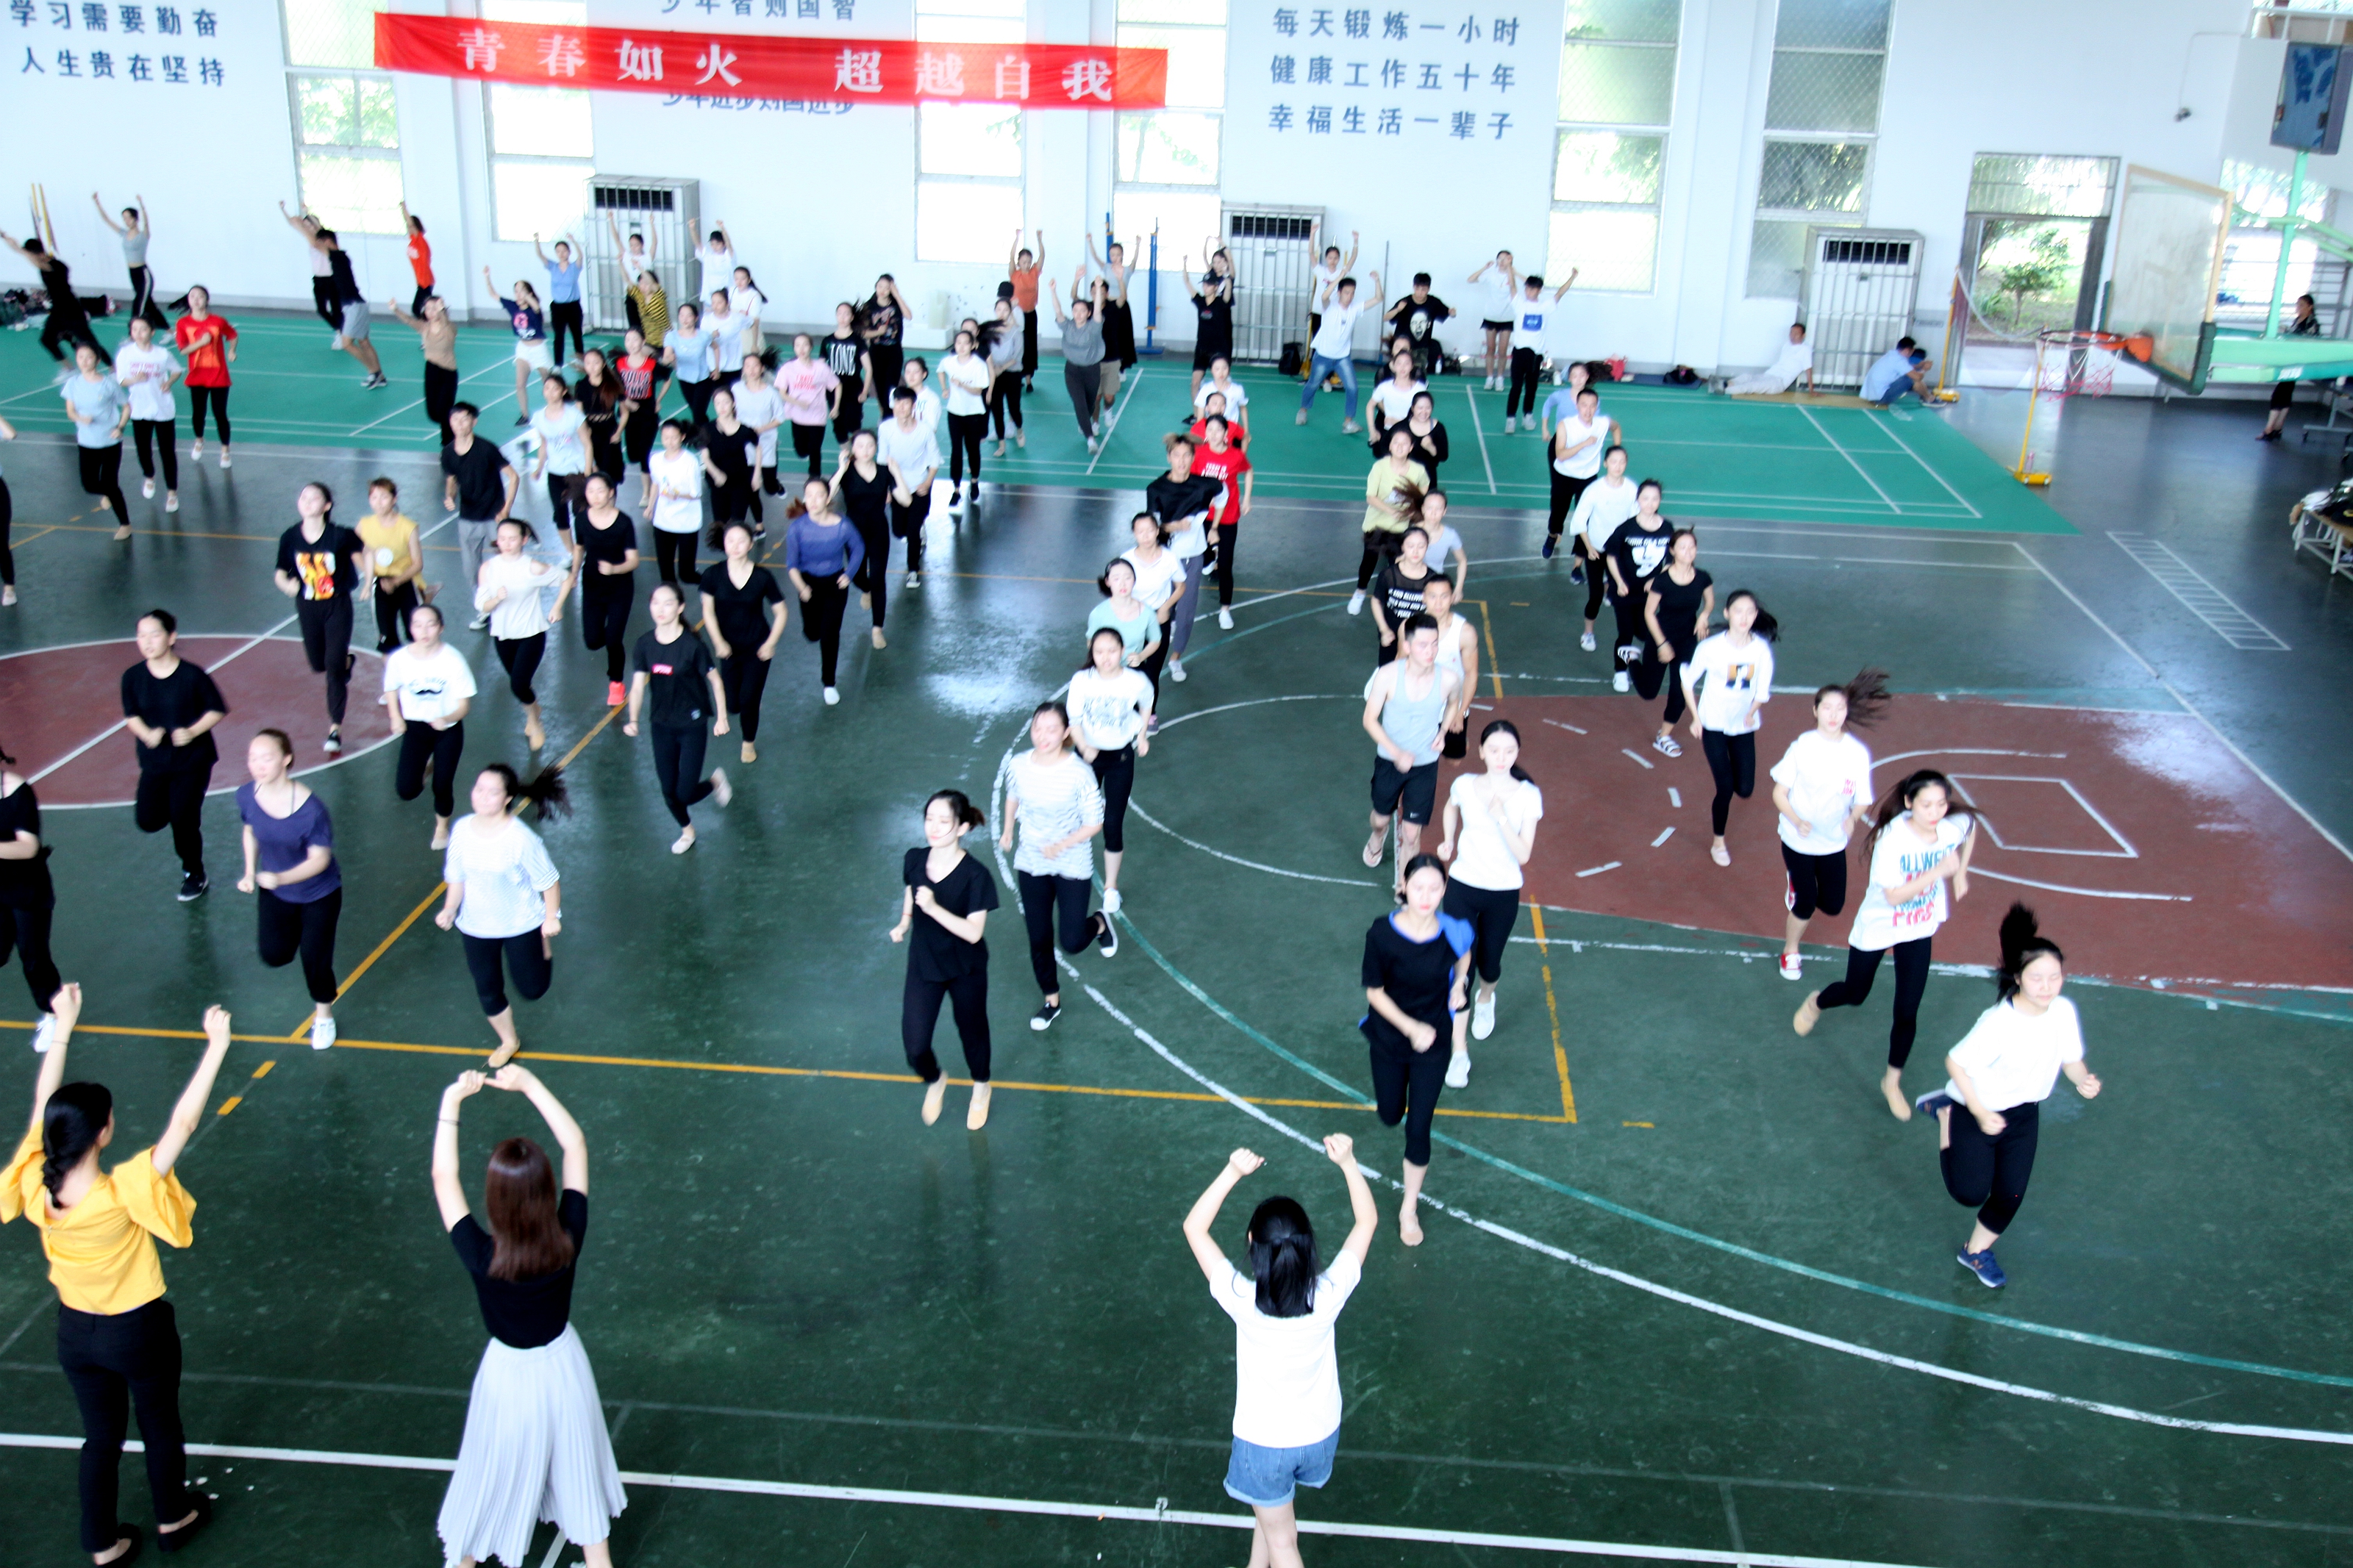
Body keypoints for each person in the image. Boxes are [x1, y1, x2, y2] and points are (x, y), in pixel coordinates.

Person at [3, 989, 232, 1566]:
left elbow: (42, 1102)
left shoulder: (33, 1183)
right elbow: (184, 1121)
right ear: (103, 1132)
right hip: (137, 1330)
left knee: (100, 1436)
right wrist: (217, 1045)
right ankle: (173, 1517)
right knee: (159, 1422)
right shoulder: (123, 1191)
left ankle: (102, 1545)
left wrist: (64, 1023)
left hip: (76, 1334)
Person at [430, 1063, 627, 1568]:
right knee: (578, 1470)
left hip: (508, 1379)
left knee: (489, 1475)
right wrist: (530, 1084)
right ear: (546, 1192)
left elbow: (443, 1176)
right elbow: (575, 1145)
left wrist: (452, 1102)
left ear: (495, 1201)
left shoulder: (481, 1255)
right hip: (564, 1366)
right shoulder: (568, 1237)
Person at [1180, 1134, 1377, 1568]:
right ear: (1308, 1245)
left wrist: (1233, 1171)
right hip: (1319, 1437)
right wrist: (1348, 1163)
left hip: (1265, 1445)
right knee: (1272, 1512)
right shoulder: (1329, 1294)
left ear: (1252, 1243)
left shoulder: (1241, 1299)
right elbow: (1366, 1222)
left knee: (1284, 1541)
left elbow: (1194, 1228)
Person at [1916, 905, 2104, 1290]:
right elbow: (1955, 1062)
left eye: (2055, 977)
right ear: (2018, 978)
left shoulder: (2062, 1011)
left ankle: (1976, 1251)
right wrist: (1978, 1111)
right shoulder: (1998, 1023)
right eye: (2037, 978)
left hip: (2023, 1115)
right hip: (1975, 1108)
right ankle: (1946, 1113)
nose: (2047, 986)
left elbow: (2072, 1060)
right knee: (1968, 1193)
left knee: (2011, 1193)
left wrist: (2083, 1079)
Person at [1793, 770, 1978, 1120]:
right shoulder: (1891, 840)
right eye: (1926, 805)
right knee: (1855, 992)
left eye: (1941, 804)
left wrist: (1962, 872)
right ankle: (1817, 1002)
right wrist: (1939, 871)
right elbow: (1893, 897)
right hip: (1880, 924)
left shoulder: (1950, 827)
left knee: (1907, 1011)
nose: (1935, 812)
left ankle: (1892, 1082)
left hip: (1918, 926)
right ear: (1909, 803)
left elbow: (1969, 826)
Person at [1360, 852, 1471, 1243]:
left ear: (1444, 891)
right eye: (1418, 887)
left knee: (1419, 1126)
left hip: (1433, 1042)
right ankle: (1392, 1106)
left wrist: (1460, 985)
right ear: (1404, 887)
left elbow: (1465, 954)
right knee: (1391, 1114)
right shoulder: (1382, 935)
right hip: (1390, 1038)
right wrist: (1410, 1028)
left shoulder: (1453, 930)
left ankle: (1409, 1209)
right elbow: (1374, 993)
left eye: (1434, 888)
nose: (1426, 896)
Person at [435, 765, 569, 1065]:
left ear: (507, 798)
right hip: (476, 926)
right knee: (487, 988)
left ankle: (543, 947)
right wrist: (450, 909)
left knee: (533, 989)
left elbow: (549, 881)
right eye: (479, 789)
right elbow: (456, 876)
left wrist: (551, 917)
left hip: (521, 923)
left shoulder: (521, 839)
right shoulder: (461, 829)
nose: (483, 796)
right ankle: (509, 1041)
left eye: (493, 792)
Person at [999, 701, 1116, 1032]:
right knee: (1038, 937)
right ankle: (1052, 1002)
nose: (1043, 735)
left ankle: (1099, 924)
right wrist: (1008, 830)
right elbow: (1013, 795)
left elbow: (1094, 823)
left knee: (1072, 941)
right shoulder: (1019, 764)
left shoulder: (1079, 773)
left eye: (1052, 729)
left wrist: (1061, 845)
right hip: (1032, 860)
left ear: (1066, 733)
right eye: (1038, 727)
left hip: (1071, 861)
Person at [1435, 721, 1540, 1087]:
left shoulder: (1528, 795)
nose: (1501, 757)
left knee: (1489, 964)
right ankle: (1459, 1054)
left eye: (1509, 751)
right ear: (1480, 752)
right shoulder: (1465, 785)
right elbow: (1450, 808)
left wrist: (1501, 817)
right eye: (1494, 750)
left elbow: (1524, 854)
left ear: (1517, 753)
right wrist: (1449, 839)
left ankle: (1486, 999)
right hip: (1462, 886)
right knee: (1459, 971)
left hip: (1503, 892)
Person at [889, 790, 1000, 1130]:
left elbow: (974, 933)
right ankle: (936, 1080)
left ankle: (981, 1087)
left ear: (962, 827)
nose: (934, 828)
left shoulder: (976, 876)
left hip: (965, 966)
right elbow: (912, 889)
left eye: (944, 821)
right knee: (915, 1046)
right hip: (924, 962)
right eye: (929, 819)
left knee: (972, 1033)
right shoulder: (914, 859)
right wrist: (905, 921)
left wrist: (934, 908)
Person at [1772, 670, 1891, 982]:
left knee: (1833, 905)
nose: (1833, 714)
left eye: (1840, 708)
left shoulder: (1857, 753)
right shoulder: (1803, 747)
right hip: (1798, 838)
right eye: (1827, 708)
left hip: (1833, 841)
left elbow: (1863, 799)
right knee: (1806, 902)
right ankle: (1790, 952)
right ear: (1815, 711)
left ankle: (1799, 887)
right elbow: (1779, 793)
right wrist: (1797, 820)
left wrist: (1852, 819)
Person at [234, 729, 342, 1050]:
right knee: (275, 955)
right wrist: (250, 872)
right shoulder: (246, 795)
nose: (258, 765)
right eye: (253, 758)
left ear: (286, 760)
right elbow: (250, 830)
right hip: (276, 891)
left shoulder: (311, 810)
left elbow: (320, 859)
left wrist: (281, 878)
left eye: (266, 758)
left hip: (318, 894)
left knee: (314, 957)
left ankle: (324, 1016)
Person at [121, 609, 225, 901]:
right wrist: (146, 734)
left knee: (183, 820)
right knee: (148, 820)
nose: (147, 642)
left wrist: (192, 731)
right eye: (141, 636)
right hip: (155, 762)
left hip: (192, 761)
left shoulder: (192, 675)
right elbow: (131, 715)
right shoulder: (132, 677)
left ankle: (194, 873)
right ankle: (179, 808)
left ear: (171, 638)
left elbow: (216, 709)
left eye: (154, 634)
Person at [622, 582, 733, 853]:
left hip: (692, 723)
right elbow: (637, 686)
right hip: (661, 724)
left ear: (680, 607)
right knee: (668, 790)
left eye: (668, 603)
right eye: (655, 603)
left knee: (684, 793)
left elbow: (716, 681)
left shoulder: (692, 646)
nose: (660, 609)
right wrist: (633, 720)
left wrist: (722, 718)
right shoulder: (644, 644)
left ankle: (714, 782)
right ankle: (687, 831)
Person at [1682, 589, 1777, 864]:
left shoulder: (1761, 650)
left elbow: (1762, 690)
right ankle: (1718, 842)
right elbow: (1688, 681)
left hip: (1743, 726)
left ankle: (1731, 780)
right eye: (1738, 611)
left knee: (1745, 789)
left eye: (1750, 612)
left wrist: (1752, 712)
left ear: (1755, 616)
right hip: (1713, 724)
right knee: (1724, 787)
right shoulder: (1710, 648)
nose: (1744, 617)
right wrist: (1696, 718)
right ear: (1727, 614)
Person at [271, 482, 365, 757]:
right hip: (307, 606)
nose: (308, 501)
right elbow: (280, 572)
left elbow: (364, 553)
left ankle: (335, 729)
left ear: (327, 506)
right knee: (318, 663)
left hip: (337, 604)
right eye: (304, 497)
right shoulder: (290, 537)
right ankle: (346, 662)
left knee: (333, 668)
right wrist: (286, 585)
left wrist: (369, 579)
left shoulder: (340, 535)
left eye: (315, 498)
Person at [1361, 616, 1460, 876]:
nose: (1430, 651)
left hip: (1425, 764)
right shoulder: (1387, 676)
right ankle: (1377, 835)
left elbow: (1454, 703)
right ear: (1407, 646)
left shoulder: (1449, 679)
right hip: (1389, 760)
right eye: (1423, 645)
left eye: (1435, 644)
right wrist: (1397, 754)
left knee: (1412, 833)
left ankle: (1406, 888)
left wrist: (1443, 731)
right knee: (1381, 818)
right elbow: (1369, 720)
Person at [1068, 626, 1155, 916]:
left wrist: (1142, 735)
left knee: (1113, 823)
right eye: (1099, 652)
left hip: (1120, 757)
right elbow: (1074, 719)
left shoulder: (1136, 681)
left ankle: (1111, 887)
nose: (1105, 657)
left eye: (1112, 651)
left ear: (1122, 651)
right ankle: (1069, 870)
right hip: (1087, 757)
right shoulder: (1082, 681)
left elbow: (1147, 703)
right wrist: (1084, 746)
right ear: (1091, 652)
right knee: (1076, 815)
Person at [475, 519, 573, 753]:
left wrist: (557, 607)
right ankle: (533, 708)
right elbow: (481, 605)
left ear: (524, 540)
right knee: (521, 684)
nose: (507, 543)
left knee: (518, 683)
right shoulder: (488, 568)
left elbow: (567, 579)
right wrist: (496, 599)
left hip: (531, 634)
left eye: (512, 539)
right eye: (502, 539)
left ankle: (534, 722)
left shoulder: (533, 567)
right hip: (503, 636)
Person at [383, 603, 476, 849]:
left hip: (447, 729)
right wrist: (395, 716)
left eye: (431, 625)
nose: (424, 632)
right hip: (416, 729)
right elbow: (391, 687)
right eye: (418, 625)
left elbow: (464, 706)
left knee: (442, 785)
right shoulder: (399, 660)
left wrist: (446, 718)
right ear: (411, 629)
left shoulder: (453, 660)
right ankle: (428, 766)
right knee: (407, 790)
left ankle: (441, 828)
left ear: (441, 628)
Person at [0, 743, 63, 1050]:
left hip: (27, 890)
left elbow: (28, 847)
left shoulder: (18, 792)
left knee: (34, 957)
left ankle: (53, 1014)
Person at [784, 476, 865, 706]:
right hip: (808, 583)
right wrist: (802, 588)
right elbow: (792, 564)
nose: (813, 500)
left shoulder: (843, 525)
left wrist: (849, 574)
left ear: (828, 498)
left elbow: (858, 548)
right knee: (813, 633)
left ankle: (829, 683)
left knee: (830, 634)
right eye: (809, 495)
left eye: (819, 495)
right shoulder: (797, 528)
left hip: (834, 584)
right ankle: (814, 630)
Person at [1146, 434, 1220, 683]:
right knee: (1162, 608)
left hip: (1193, 558)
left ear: (1193, 457)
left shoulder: (1204, 485)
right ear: (1169, 458)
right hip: (1165, 559)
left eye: (1187, 455)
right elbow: (1151, 526)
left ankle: (1176, 658)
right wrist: (1172, 527)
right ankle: (1155, 648)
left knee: (1187, 613)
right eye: (1176, 455)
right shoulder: (1156, 488)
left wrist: (1214, 527)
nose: (1182, 460)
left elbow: (1224, 494)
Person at [1634, 527, 1713, 756]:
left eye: (1692, 547)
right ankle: (1631, 660)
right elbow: (1649, 613)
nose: (1688, 551)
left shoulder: (1703, 578)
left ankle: (1664, 737)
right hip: (1661, 636)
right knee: (1649, 691)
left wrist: (1704, 616)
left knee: (1681, 691)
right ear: (1672, 551)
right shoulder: (1662, 581)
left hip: (1687, 640)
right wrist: (1662, 644)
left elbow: (1709, 602)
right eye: (1682, 547)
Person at [442, 404, 519, 621]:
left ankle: (508, 604)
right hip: (468, 517)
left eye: (464, 419)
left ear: (474, 422)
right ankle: (484, 607)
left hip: (494, 516)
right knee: (471, 569)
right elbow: (451, 480)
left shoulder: (487, 449)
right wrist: (450, 496)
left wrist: (506, 509)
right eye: (455, 419)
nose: (459, 424)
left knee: (505, 561)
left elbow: (514, 477)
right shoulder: (448, 453)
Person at [293, 215, 388, 389]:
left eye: (321, 243)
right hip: (358, 304)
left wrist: (301, 226)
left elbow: (313, 242)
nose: (318, 247)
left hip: (353, 306)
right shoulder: (340, 257)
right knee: (364, 342)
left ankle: (374, 372)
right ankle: (379, 375)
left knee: (347, 344)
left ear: (328, 242)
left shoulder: (337, 257)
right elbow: (317, 240)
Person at [571, 473, 640, 706]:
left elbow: (633, 560)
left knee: (613, 639)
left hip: (620, 588)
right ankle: (609, 645)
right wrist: (573, 573)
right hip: (592, 586)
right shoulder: (581, 520)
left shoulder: (624, 523)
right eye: (591, 491)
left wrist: (614, 569)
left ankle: (616, 683)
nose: (595, 496)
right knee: (592, 641)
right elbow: (579, 548)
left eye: (600, 490)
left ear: (611, 492)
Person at [1602, 479, 1674, 692]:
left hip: (1649, 593)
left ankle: (1639, 661)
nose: (1650, 503)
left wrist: (1657, 581)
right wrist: (1619, 582)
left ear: (1660, 500)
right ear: (1638, 500)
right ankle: (1620, 672)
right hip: (1624, 591)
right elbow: (1611, 556)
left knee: (1645, 632)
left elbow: (1671, 560)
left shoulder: (1667, 528)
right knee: (1625, 632)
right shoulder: (1627, 528)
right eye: (1645, 498)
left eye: (1655, 499)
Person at [1349, 427, 1429, 615]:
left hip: (1400, 528)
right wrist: (1391, 511)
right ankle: (1360, 592)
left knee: (1397, 565)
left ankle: (1392, 597)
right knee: (1369, 561)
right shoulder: (1380, 467)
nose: (1400, 447)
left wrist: (1412, 509)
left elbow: (1424, 488)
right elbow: (1371, 497)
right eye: (1396, 443)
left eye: (1404, 444)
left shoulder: (1418, 471)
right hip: (1376, 525)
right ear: (1390, 446)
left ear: (1411, 447)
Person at [1, 230, 107, 365]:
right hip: (58, 312)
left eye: (32, 256)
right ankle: (68, 369)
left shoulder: (56, 266)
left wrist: (21, 251)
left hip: (72, 311)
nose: (32, 260)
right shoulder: (42, 264)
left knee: (89, 343)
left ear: (40, 253)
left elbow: (29, 257)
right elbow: (21, 252)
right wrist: (4, 236)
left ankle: (112, 367)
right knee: (47, 340)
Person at [113, 318, 182, 516]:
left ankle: (172, 493)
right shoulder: (125, 354)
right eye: (134, 329)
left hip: (163, 408)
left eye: (143, 329)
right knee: (143, 449)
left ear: (152, 332)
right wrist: (136, 379)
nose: (138, 333)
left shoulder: (162, 354)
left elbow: (177, 370)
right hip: (140, 409)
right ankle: (149, 476)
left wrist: (169, 382)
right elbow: (121, 380)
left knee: (167, 452)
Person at [63, 343, 131, 542]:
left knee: (110, 484)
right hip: (87, 442)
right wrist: (80, 418)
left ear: (98, 360)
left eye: (89, 357)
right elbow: (70, 411)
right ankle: (109, 493)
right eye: (80, 357)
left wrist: (120, 427)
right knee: (89, 485)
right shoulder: (73, 384)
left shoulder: (109, 384)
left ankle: (125, 525)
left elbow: (126, 407)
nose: (84, 361)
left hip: (110, 441)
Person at [835, 428, 894, 651]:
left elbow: (898, 495)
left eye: (870, 445)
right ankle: (866, 589)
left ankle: (877, 628)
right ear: (853, 449)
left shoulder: (884, 471)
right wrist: (841, 469)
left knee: (879, 578)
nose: (866, 450)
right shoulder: (847, 472)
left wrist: (896, 483)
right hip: (853, 533)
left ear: (876, 447)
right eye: (860, 446)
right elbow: (827, 496)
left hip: (878, 530)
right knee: (857, 575)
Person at [1191, 416, 1254, 629]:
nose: (1214, 434)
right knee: (1202, 555)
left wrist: (1247, 499)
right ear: (1205, 433)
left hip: (1228, 516)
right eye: (1210, 429)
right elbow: (1192, 480)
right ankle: (1210, 558)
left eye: (1219, 430)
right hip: (1203, 515)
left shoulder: (1236, 455)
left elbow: (1248, 471)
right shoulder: (1198, 454)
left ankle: (1225, 610)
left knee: (1226, 566)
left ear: (1226, 434)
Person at [1568, 444, 1635, 639]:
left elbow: (1635, 520)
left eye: (1622, 462)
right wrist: (1589, 548)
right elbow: (1579, 520)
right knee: (1595, 596)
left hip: (1620, 552)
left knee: (1624, 593)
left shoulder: (1632, 490)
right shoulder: (1594, 490)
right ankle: (1588, 633)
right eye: (1614, 462)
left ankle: (1626, 634)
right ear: (1605, 463)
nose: (1618, 466)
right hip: (1596, 551)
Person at [1120, 511, 1185, 702]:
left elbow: (1181, 586)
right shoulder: (1126, 559)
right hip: (1133, 618)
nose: (1146, 536)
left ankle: (1150, 713)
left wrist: (1165, 608)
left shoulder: (1169, 558)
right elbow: (1119, 591)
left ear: (1157, 531)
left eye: (1150, 530)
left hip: (1159, 619)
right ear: (1134, 534)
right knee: (1132, 668)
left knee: (1152, 672)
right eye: (1140, 532)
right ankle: (1131, 710)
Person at [877, 387, 940, 588]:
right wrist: (886, 489)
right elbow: (882, 462)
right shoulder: (885, 428)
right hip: (897, 487)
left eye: (905, 403)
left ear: (914, 406)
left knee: (912, 532)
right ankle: (917, 528)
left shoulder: (925, 430)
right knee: (898, 530)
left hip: (919, 486)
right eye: (897, 403)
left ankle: (913, 571)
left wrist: (927, 483)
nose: (901, 407)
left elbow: (935, 461)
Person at [357, 476, 426, 654]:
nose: (378, 503)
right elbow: (354, 552)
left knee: (416, 633)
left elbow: (417, 563)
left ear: (394, 499)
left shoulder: (408, 527)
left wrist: (395, 582)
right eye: (374, 497)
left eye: (384, 497)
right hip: (380, 584)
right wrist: (370, 573)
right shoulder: (364, 525)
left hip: (406, 581)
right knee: (386, 638)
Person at [1502, 269, 1575, 432]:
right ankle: (1510, 419)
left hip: (1536, 355)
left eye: (1533, 289)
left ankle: (1528, 416)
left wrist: (1572, 277)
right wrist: (1509, 269)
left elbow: (1560, 293)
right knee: (1516, 387)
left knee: (1531, 388)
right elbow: (1512, 286)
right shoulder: (1519, 304)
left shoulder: (1545, 307)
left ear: (1539, 290)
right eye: (1527, 289)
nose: (1529, 292)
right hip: (1519, 352)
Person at [171, 285, 235, 470]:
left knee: (220, 414)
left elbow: (232, 334)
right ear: (188, 300)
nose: (196, 299)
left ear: (207, 300)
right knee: (198, 414)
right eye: (193, 296)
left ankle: (225, 450)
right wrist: (201, 342)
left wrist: (232, 350)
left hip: (219, 376)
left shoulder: (218, 321)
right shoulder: (183, 323)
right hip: (197, 376)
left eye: (200, 296)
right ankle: (199, 440)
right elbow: (183, 350)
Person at [1419, 572, 1479, 760]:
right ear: (1423, 597)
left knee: (1454, 759)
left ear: (1452, 598)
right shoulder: (1410, 628)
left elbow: (1471, 674)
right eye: (1432, 596)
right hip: (1419, 709)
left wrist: (1461, 713)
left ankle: (1460, 743)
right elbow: (1399, 665)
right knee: (1419, 758)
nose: (1438, 603)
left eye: (1444, 596)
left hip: (1452, 710)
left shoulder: (1465, 632)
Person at [1542, 386, 1607, 558]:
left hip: (1588, 477)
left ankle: (1579, 557)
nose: (1588, 410)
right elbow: (1561, 455)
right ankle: (1552, 535)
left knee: (1585, 515)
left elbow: (1616, 427)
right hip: (1565, 476)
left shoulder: (1602, 423)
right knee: (1558, 512)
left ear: (1597, 407)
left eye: (1592, 405)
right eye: (1584, 405)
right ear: (1577, 406)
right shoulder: (1566, 425)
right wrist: (1584, 444)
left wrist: (1616, 450)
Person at [1298, 273, 1368, 431]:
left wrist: (1377, 281)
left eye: (1352, 293)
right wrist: (1340, 276)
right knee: (1313, 384)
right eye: (1346, 292)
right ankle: (1303, 410)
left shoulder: (1355, 308)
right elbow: (1324, 296)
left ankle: (1348, 422)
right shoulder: (1329, 306)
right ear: (1339, 293)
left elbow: (1378, 299)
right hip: (1323, 356)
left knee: (1353, 388)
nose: (1350, 296)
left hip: (1343, 358)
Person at [388, 292, 460, 445]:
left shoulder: (450, 328)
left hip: (448, 372)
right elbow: (409, 321)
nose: (430, 312)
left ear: (441, 310)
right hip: (431, 370)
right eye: (427, 308)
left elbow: (445, 325)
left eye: (434, 308)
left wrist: (441, 311)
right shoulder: (424, 327)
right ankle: (453, 426)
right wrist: (396, 309)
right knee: (433, 414)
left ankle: (448, 441)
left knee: (444, 408)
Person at [526, 374, 590, 543]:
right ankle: (571, 551)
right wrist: (539, 469)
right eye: (547, 388)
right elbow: (544, 444)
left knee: (581, 512)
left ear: (563, 391)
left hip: (576, 471)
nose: (550, 392)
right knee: (560, 514)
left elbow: (587, 444)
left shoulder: (574, 415)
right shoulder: (539, 417)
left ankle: (582, 546)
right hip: (555, 472)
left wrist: (587, 471)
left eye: (555, 389)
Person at [483, 269, 551, 425]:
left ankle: (555, 408)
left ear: (529, 293)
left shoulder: (534, 309)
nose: (518, 294)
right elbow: (493, 294)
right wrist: (487, 277)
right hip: (523, 349)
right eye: (516, 291)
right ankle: (525, 415)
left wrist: (528, 297)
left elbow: (536, 307)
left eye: (521, 291)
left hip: (538, 349)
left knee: (548, 383)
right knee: (520, 384)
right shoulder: (512, 306)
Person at [1049, 273, 1107, 453]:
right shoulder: (1067, 326)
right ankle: (1090, 439)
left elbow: (1098, 312)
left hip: (1092, 370)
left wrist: (1098, 288)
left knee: (1090, 404)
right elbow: (1058, 311)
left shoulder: (1093, 327)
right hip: (1072, 370)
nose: (1078, 314)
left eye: (1083, 311)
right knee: (1079, 402)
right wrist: (1053, 291)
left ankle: (1084, 423)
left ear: (1088, 313)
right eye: (1075, 311)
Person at [649, 418, 708, 585]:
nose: (670, 442)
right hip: (663, 521)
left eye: (674, 437)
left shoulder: (690, 462)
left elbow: (696, 493)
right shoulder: (655, 459)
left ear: (682, 437)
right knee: (666, 573)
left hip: (686, 522)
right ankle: (673, 600)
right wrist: (650, 507)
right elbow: (656, 483)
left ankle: (712, 586)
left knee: (687, 573)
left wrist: (678, 495)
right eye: (666, 438)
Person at [938, 328, 992, 509]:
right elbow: (940, 371)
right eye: (958, 343)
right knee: (956, 451)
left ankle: (974, 481)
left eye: (965, 343)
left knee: (973, 449)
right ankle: (956, 489)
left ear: (973, 345)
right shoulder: (949, 361)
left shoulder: (978, 365)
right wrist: (945, 388)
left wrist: (961, 385)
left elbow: (978, 390)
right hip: (954, 413)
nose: (961, 346)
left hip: (974, 414)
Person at [1087, 556, 1163, 685]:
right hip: (1105, 671)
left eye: (1128, 578)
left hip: (1133, 671)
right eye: (1116, 579)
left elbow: (1155, 640)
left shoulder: (1147, 613)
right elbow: (1091, 642)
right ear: (1108, 582)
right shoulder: (1098, 613)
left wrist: (1141, 656)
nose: (1123, 584)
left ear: (1134, 580)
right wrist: (1102, 661)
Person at [1370, 526, 1437, 667]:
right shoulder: (1389, 575)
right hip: (1391, 635)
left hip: (1418, 637)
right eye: (1410, 546)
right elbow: (1376, 601)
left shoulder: (1432, 579)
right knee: (1388, 670)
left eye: (1421, 546)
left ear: (1427, 547)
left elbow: (1434, 610)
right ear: (1403, 547)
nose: (1415, 551)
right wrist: (1384, 629)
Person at [2260, 293, 2324, 441]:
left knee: (2280, 392)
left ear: (2310, 307)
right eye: (2297, 305)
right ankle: (2277, 428)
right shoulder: (2298, 321)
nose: (2298, 308)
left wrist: (2289, 334)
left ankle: (2270, 428)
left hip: (2298, 362)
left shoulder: (2312, 324)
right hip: (2290, 360)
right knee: (2286, 391)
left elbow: (2309, 342)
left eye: (2301, 305)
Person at [1091, 239, 1140, 418]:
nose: (1115, 257)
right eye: (1112, 255)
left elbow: (1134, 261)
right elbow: (1095, 257)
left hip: (1121, 305)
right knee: (1110, 337)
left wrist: (1138, 245)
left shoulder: (1127, 270)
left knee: (1123, 338)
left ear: (1122, 255)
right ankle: (1113, 365)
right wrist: (1090, 242)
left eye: (1118, 255)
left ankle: (1122, 368)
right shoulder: (1106, 268)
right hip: (1108, 307)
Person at [729, 351, 787, 504]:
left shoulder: (772, 393)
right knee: (748, 484)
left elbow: (780, 418)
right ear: (743, 369)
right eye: (748, 366)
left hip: (766, 442)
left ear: (762, 369)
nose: (752, 370)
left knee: (769, 487)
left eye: (755, 366)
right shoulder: (736, 389)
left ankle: (776, 486)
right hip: (743, 442)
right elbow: (730, 411)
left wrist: (761, 429)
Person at [614, 329, 663, 505]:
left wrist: (658, 400)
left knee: (644, 453)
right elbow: (614, 386)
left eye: (635, 340)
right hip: (629, 415)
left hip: (648, 414)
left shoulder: (651, 364)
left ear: (643, 342)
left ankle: (646, 494)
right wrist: (626, 401)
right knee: (633, 455)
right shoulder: (620, 363)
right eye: (628, 340)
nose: (631, 343)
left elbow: (667, 379)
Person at [1183, 246, 1237, 401]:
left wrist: (1226, 272)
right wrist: (1184, 264)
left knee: (1220, 384)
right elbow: (1187, 282)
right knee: (1195, 383)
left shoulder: (1222, 303)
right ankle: (1197, 413)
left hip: (1218, 348)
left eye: (1209, 285)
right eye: (1204, 284)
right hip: (1202, 348)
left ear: (1216, 287)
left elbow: (1229, 284)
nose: (1205, 287)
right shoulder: (1200, 301)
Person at [1305, 223, 1361, 362]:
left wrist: (1356, 241)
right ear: (1326, 258)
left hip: (1333, 313)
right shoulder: (1320, 271)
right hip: (1319, 311)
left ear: (1339, 259)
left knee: (1331, 342)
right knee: (1317, 341)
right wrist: (1312, 233)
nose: (1333, 261)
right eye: (1330, 258)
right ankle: (1315, 369)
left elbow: (1353, 258)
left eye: (1336, 258)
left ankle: (1330, 371)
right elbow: (1311, 253)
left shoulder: (1341, 273)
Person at [1385, 273, 1454, 382]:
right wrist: (1398, 310)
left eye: (1424, 290)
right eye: (1417, 289)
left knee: (1419, 376)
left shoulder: (1433, 303)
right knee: (1398, 375)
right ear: (1414, 287)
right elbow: (1386, 317)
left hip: (1421, 347)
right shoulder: (1405, 302)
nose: (1420, 293)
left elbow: (1448, 313)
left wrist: (1452, 313)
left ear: (1428, 289)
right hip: (1403, 347)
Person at [859, 276, 908, 423]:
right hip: (876, 351)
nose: (883, 290)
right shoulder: (868, 306)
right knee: (880, 388)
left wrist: (897, 295)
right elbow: (862, 332)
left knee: (891, 386)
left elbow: (908, 315)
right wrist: (877, 333)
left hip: (894, 351)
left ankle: (888, 417)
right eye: (880, 286)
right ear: (875, 286)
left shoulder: (896, 304)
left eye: (887, 288)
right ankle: (886, 417)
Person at [822, 301, 871, 449]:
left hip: (853, 387)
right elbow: (821, 369)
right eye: (840, 314)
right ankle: (847, 454)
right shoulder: (828, 341)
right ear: (836, 316)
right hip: (833, 389)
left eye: (847, 314)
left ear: (852, 317)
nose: (843, 317)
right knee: (838, 424)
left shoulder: (858, 341)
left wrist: (865, 391)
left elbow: (868, 369)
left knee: (853, 422)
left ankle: (858, 449)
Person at [574, 348, 625, 490]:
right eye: (588, 363)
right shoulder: (581, 385)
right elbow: (578, 414)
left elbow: (624, 412)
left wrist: (618, 432)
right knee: (594, 469)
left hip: (610, 429)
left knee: (611, 470)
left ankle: (611, 496)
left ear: (603, 364)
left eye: (596, 363)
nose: (592, 366)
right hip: (591, 430)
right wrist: (584, 432)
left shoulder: (613, 383)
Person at [982, 294, 1026, 457]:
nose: (1002, 313)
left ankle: (1019, 429)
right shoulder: (988, 331)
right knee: (997, 409)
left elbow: (1017, 356)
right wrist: (993, 369)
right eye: (999, 309)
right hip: (994, 374)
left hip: (1012, 373)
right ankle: (1001, 444)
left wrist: (1002, 368)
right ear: (995, 311)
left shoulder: (1016, 332)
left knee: (1014, 408)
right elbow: (985, 352)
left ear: (1010, 312)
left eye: (1005, 310)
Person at [1468, 250, 1518, 391]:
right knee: (1491, 349)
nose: (1501, 262)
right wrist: (1484, 268)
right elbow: (1470, 280)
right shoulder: (1491, 274)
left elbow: (1515, 286)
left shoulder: (1512, 274)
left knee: (1503, 351)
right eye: (1499, 259)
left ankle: (1500, 378)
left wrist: (1511, 269)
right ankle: (1490, 378)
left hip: (1507, 317)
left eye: (1505, 259)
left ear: (1510, 261)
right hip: (1491, 317)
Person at [534, 233, 585, 365]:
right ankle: (558, 364)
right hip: (558, 307)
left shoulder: (574, 267)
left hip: (573, 306)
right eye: (558, 251)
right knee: (558, 336)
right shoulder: (553, 267)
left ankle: (580, 359)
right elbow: (540, 255)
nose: (561, 254)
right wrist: (536, 240)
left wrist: (574, 241)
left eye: (564, 251)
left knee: (577, 334)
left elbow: (581, 256)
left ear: (569, 252)